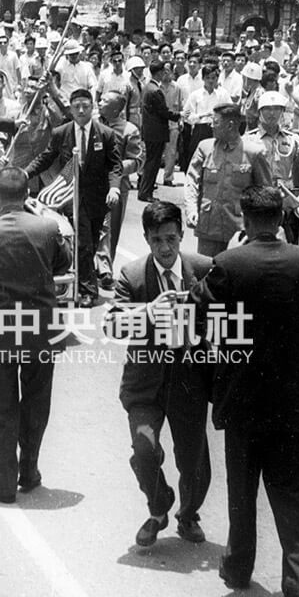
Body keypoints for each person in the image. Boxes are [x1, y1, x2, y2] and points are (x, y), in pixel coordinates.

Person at [192, 186, 299, 597]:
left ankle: (238, 567)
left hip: (243, 403)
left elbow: (198, 306)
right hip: (294, 406)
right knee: (295, 497)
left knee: (242, 494)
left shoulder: (229, 264)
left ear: (244, 217)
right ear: (280, 218)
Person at [0, 167, 72, 503]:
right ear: (26, 195)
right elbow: (64, 263)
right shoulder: (47, 226)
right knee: (37, 402)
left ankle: (3, 482)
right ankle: (30, 470)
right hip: (42, 328)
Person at [109, 201, 212, 548]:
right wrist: (149, 311)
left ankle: (188, 515)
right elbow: (113, 324)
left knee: (194, 462)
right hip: (145, 386)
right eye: (156, 241)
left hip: (189, 383)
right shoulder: (132, 276)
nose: (165, 248)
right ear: (146, 239)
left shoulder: (206, 268)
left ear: (182, 235)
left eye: (171, 238)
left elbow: (227, 317)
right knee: (144, 450)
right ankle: (158, 507)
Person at [24, 88, 121, 308]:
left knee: (92, 242)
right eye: (76, 106)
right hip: (73, 197)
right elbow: (47, 157)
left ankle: (84, 277)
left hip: (98, 198)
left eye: (85, 106)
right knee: (84, 242)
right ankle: (86, 291)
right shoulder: (61, 133)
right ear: (71, 107)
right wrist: (26, 173)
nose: (80, 110)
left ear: (92, 107)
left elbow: (114, 165)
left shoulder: (105, 134)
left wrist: (114, 189)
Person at [184, 104, 272, 256]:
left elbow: (266, 194)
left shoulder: (254, 153)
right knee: (206, 273)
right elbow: (191, 182)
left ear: (230, 125)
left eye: (215, 122)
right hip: (209, 227)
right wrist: (191, 209)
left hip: (240, 232)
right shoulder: (205, 148)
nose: (211, 125)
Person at [95, 92, 142, 290]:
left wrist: (115, 168)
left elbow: (137, 161)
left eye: (104, 101)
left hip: (115, 188)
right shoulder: (93, 124)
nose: (99, 102)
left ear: (116, 109)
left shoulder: (129, 130)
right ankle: (93, 270)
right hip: (91, 185)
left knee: (110, 229)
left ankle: (105, 270)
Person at [248, 91, 299, 241]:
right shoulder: (249, 140)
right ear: (259, 112)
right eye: (267, 109)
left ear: (282, 112)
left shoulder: (293, 140)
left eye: (276, 109)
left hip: (287, 201)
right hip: (260, 200)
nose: (272, 113)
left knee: (292, 244)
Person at [138, 60, 180, 202]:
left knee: (151, 162)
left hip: (151, 131)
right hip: (156, 132)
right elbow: (163, 112)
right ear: (160, 73)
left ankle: (145, 191)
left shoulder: (147, 87)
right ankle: (146, 192)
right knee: (152, 163)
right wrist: (179, 115)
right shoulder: (155, 90)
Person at [181, 65, 232, 165]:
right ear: (203, 78)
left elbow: (230, 110)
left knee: (217, 157)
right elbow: (187, 116)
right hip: (200, 128)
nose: (211, 81)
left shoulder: (223, 94)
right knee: (197, 158)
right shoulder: (195, 95)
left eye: (213, 78)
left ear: (217, 78)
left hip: (218, 129)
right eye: (208, 78)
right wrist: (202, 115)